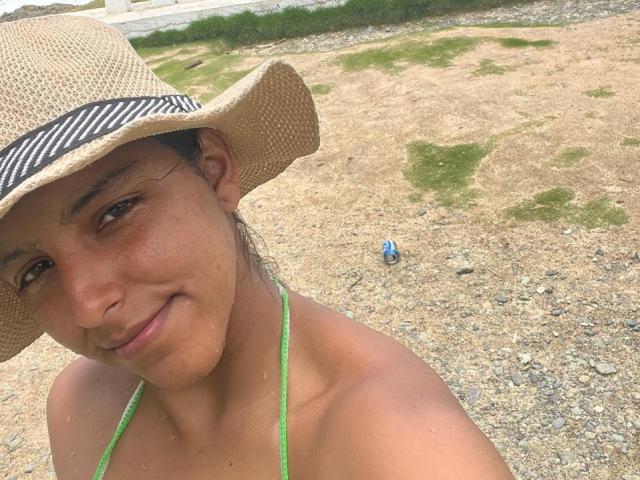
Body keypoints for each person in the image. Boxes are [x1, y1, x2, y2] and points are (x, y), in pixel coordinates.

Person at [0, 15, 515, 480]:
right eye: (35, 270)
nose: (89, 307)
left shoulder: (401, 448)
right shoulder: (79, 409)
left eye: (114, 213)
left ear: (215, 171)